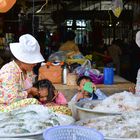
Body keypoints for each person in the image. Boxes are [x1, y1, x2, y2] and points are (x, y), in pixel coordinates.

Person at [0, 34, 45, 112]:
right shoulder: (9, 72)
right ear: (22, 59)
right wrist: (29, 91)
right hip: (6, 110)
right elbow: (11, 99)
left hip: (21, 109)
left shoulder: (29, 71)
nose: (35, 64)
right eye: (32, 60)